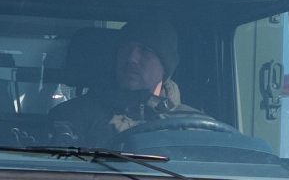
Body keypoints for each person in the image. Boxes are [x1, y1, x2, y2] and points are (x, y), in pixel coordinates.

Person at [65, 26, 196, 139]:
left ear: (165, 67)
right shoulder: (72, 118)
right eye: (125, 48)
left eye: (145, 50)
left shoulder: (195, 125)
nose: (131, 59)